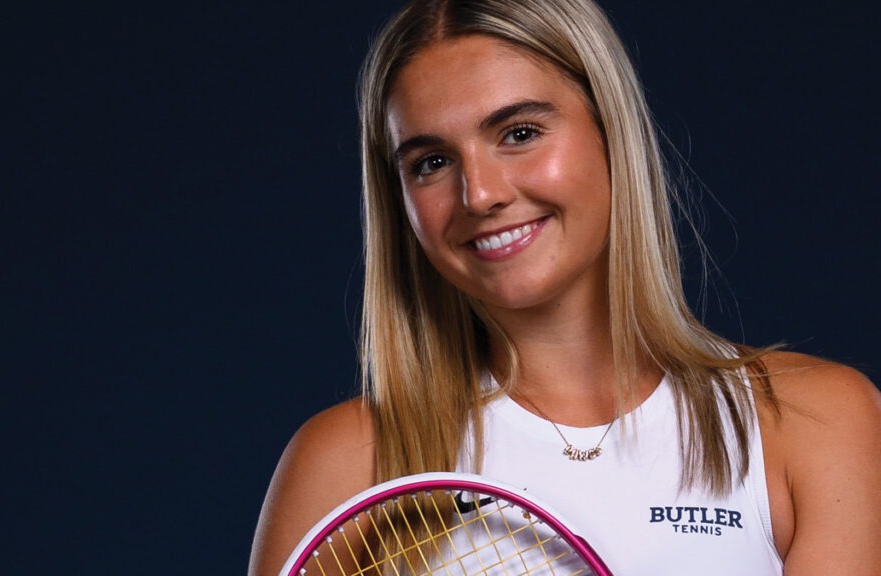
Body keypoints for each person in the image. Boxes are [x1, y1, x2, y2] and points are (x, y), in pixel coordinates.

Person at [249, 0, 881, 573]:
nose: (481, 194)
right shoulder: (345, 462)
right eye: (431, 162)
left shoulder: (816, 420)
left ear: (611, 133)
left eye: (519, 133)